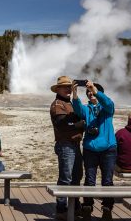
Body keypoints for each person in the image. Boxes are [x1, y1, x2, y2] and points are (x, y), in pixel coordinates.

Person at [72, 80, 117, 221]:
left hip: (108, 148)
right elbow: (78, 109)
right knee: (89, 180)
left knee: (107, 181)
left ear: (100, 93)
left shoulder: (107, 108)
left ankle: (107, 208)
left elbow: (109, 104)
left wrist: (95, 90)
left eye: (93, 91)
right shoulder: (87, 109)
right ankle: (87, 206)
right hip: (90, 148)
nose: (90, 93)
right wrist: (74, 94)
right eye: (88, 92)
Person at [50, 76, 85, 219]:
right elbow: (62, 124)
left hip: (75, 144)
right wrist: (79, 124)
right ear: (57, 89)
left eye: (69, 87)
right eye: (64, 87)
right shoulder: (58, 104)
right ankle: (61, 208)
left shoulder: (69, 103)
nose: (67, 89)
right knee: (66, 177)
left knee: (77, 176)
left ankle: (75, 205)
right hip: (66, 145)